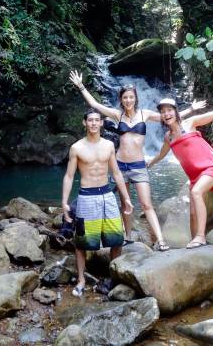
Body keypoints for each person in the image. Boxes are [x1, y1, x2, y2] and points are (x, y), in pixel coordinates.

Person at [69, 70, 206, 251]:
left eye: (131, 97)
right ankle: (127, 236)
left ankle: (160, 240)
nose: (128, 100)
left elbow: (169, 118)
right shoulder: (117, 115)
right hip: (120, 165)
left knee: (146, 204)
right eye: (125, 97)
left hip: (139, 166)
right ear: (121, 99)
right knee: (125, 203)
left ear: (135, 98)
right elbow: (94, 104)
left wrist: (192, 109)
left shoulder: (145, 114)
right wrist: (81, 86)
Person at [148, 83, 213, 249]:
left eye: (169, 110)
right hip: (195, 176)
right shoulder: (168, 137)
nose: (166, 114)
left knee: (197, 192)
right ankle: (194, 243)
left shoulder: (190, 123)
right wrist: (151, 162)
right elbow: (161, 154)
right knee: (192, 214)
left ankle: (200, 237)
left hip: (211, 167)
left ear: (176, 112)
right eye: (163, 112)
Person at [62, 108, 133, 297]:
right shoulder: (77, 147)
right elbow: (69, 176)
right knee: (81, 242)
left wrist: (125, 198)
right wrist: (64, 202)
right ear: (84, 123)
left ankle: (113, 276)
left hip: (107, 196)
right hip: (86, 198)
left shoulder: (109, 145)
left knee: (117, 238)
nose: (93, 123)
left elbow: (116, 173)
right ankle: (81, 280)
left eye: (97, 120)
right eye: (90, 120)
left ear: (101, 123)